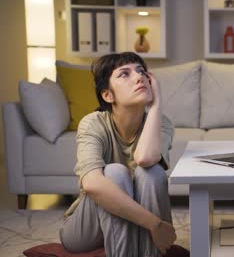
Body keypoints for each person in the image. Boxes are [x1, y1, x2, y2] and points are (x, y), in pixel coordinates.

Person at [60, 52, 176, 257]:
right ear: (108, 95)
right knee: (114, 173)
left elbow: (144, 158)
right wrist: (154, 223)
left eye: (141, 71)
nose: (139, 77)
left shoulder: (161, 123)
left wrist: (156, 104)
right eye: (125, 74)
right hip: (86, 230)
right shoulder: (93, 123)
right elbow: (92, 184)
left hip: (137, 227)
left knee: (152, 172)